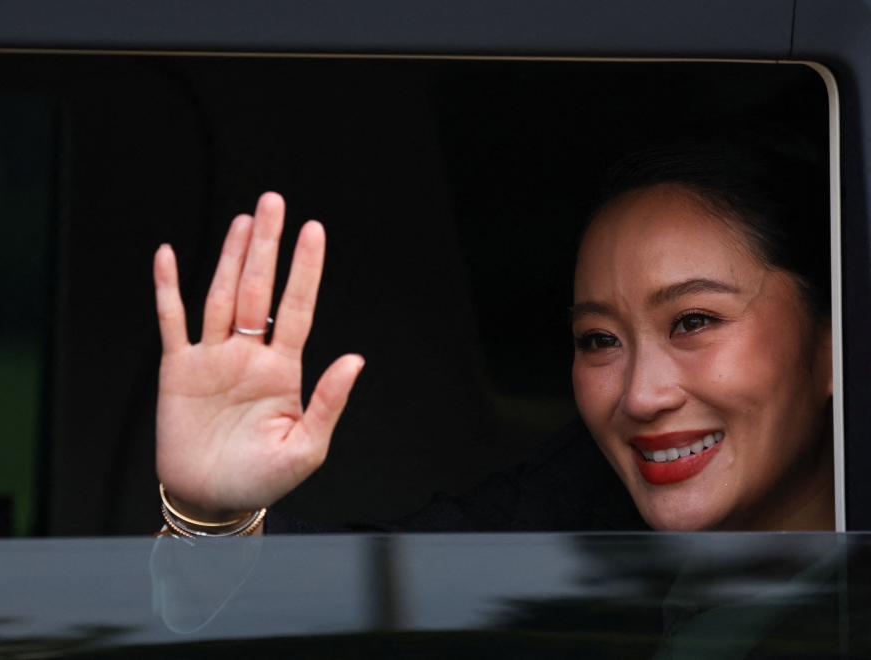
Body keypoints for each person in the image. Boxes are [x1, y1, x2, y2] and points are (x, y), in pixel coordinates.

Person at [152, 132, 834, 536]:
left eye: (693, 322)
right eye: (599, 339)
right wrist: (212, 518)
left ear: (835, 343)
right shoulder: (570, 512)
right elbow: (364, 593)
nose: (641, 396)